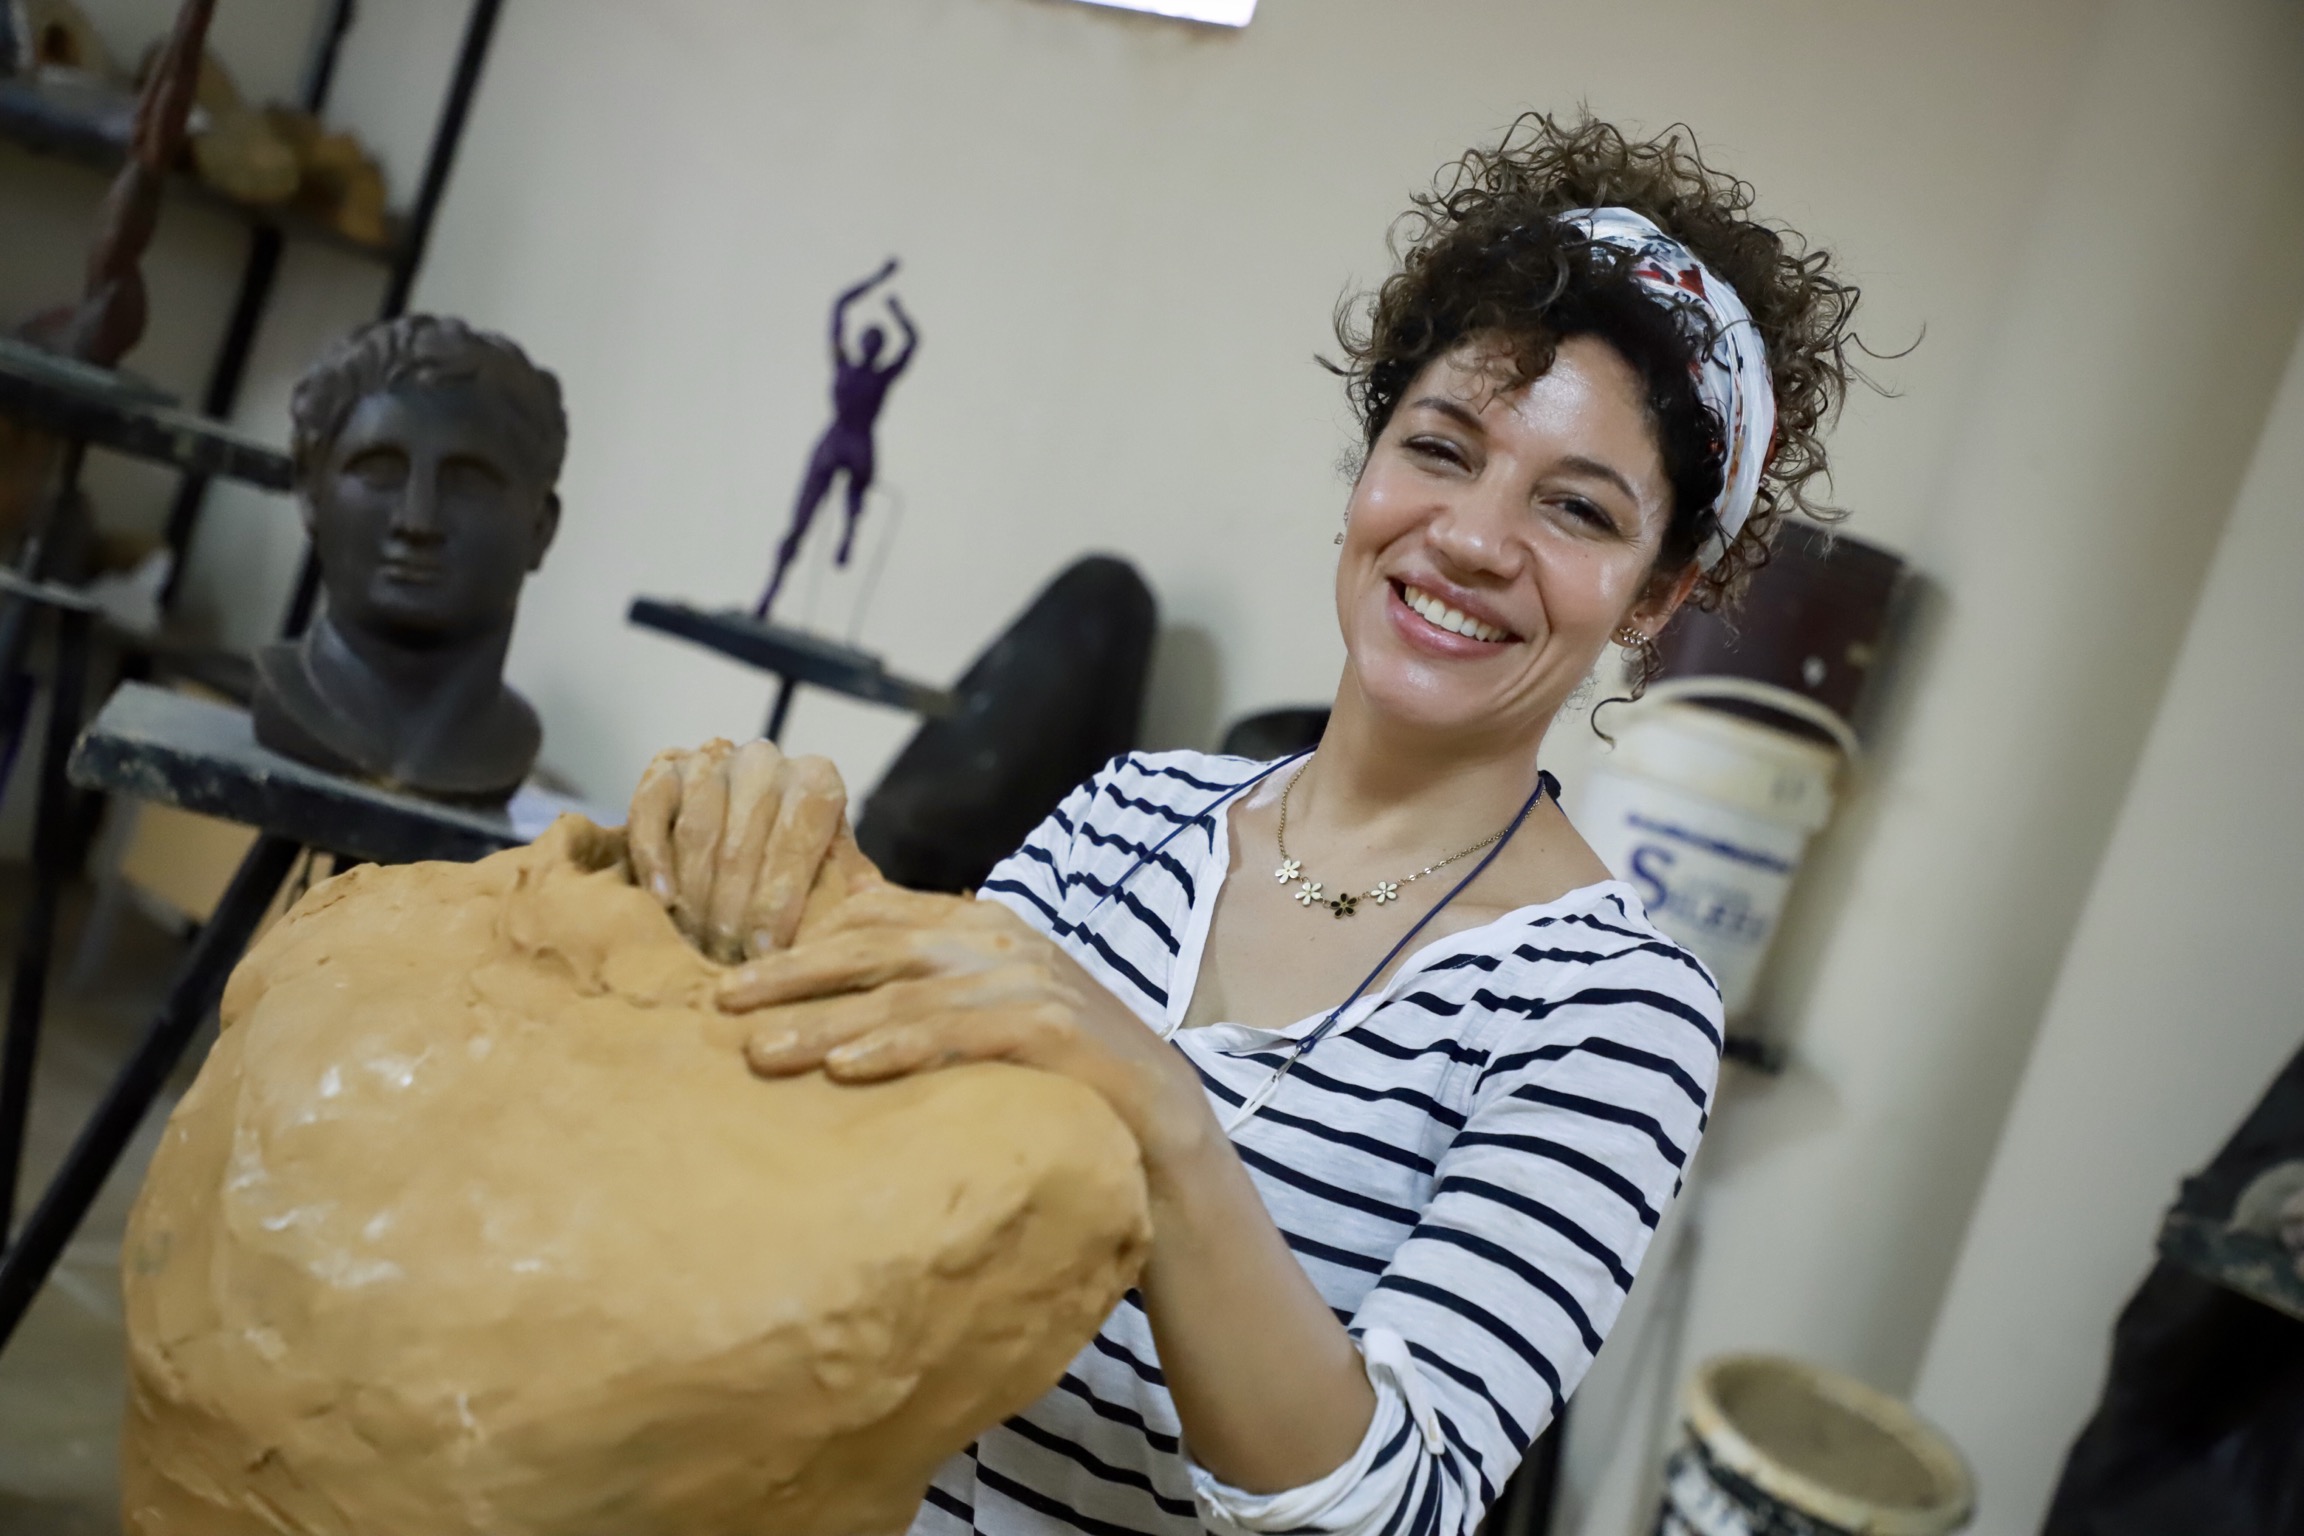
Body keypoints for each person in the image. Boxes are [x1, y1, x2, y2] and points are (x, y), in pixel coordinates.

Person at [630, 113, 1860, 1535]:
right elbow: (857, 1186)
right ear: (1369, 465)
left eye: (1576, 510)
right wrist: (759, 908)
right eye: (1440, 447)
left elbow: (1392, 1511)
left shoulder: (1613, 1014)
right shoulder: (1127, 817)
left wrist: (1159, 1113)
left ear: (1655, 597)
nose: (1472, 537)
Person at [254, 315, 566, 803]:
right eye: (379, 471)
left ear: (541, 529)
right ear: (311, 496)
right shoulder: (291, 698)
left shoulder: (509, 744)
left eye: (468, 482)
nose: (417, 521)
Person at [755, 257, 920, 618]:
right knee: (800, 520)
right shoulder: (847, 365)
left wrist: (897, 311)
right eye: (868, 339)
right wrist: (877, 281)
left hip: (854, 440)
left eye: (875, 341)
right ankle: (771, 591)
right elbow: (839, 307)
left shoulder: (877, 376)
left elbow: (912, 342)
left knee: (849, 494)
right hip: (841, 438)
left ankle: (849, 531)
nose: (870, 345)